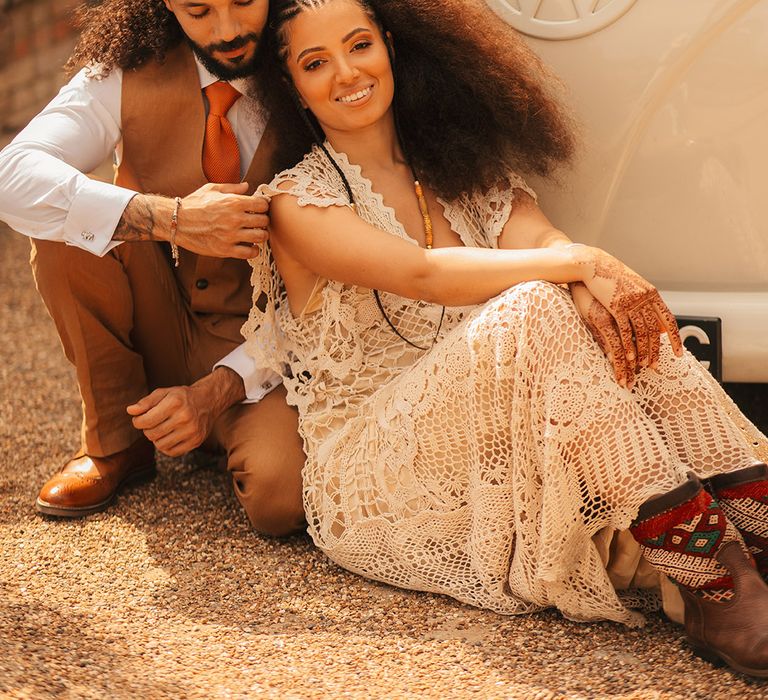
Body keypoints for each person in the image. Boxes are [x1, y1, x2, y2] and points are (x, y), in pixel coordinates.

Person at [240, 0, 768, 676]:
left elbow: (541, 240)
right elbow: (422, 273)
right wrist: (579, 265)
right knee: (539, 303)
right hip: (369, 472)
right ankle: (710, 583)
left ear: (391, 47)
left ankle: (755, 530)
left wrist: (591, 279)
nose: (346, 72)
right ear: (292, 86)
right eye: (316, 63)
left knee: (617, 305)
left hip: (482, 437)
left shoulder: (459, 172)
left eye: (359, 45)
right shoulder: (296, 202)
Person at [0, 0, 305, 535]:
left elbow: (345, 297)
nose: (227, 30)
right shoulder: (128, 67)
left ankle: (225, 422)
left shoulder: (317, 63)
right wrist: (174, 219)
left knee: (281, 499)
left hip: (279, 348)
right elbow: (12, 177)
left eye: (243, 1)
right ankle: (118, 441)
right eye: (199, 10)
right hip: (166, 317)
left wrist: (218, 390)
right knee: (65, 226)